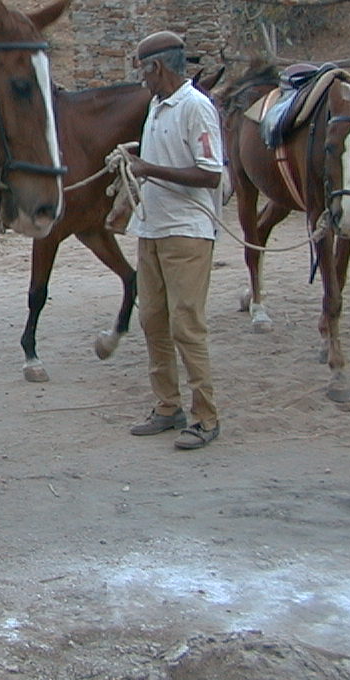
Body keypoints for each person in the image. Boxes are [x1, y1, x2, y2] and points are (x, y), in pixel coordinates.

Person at [124, 30, 224, 449]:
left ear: (156, 67)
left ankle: (206, 416)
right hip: (152, 228)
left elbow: (211, 173)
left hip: (187, 231)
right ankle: (167, 405)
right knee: (153, 321)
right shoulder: (157, 106)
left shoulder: (196, 108)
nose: (142, 79)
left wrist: (149, 169)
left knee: (186, 324)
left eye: (143, 70)